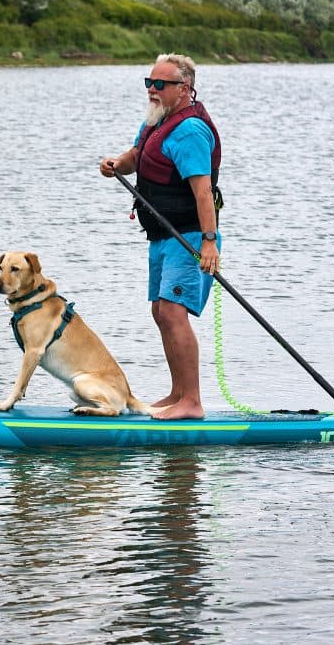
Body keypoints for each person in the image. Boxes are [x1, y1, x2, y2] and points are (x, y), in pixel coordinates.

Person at [99, 53, 222, 419]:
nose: (152, 90)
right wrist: (117, 165)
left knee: (172, 311)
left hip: (189, 238)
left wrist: (209, 242)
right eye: (149, 83)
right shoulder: (157, 121)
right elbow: (139, 154)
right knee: (160, 311)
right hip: (162, 238)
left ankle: (193, 402)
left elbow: (202, 192)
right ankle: (177, 393)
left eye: (160, 85)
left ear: (184, 89)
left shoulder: (189, 131)